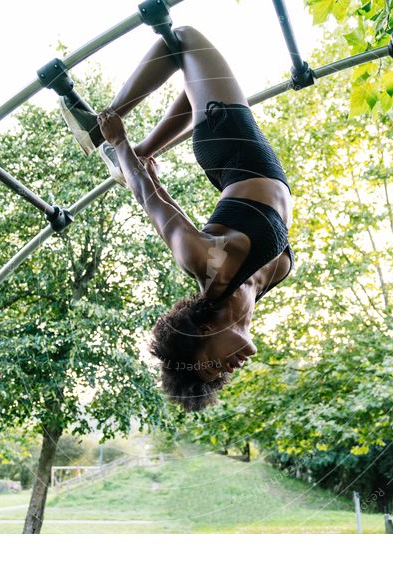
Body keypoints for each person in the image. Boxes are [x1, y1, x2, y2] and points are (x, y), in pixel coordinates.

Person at [59, 26, 294, 411]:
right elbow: (170, 202)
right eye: (219, 376)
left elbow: (153, 203)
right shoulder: (249, 299)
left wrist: (118, 141)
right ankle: (145, 150)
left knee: (181, 39)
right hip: (240, 163)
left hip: (227, 139)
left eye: (211, 366)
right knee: (195, 83)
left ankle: (102, 122)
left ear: (202, 332)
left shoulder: (208, 265)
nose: (227, 370)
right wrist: (142, 164)